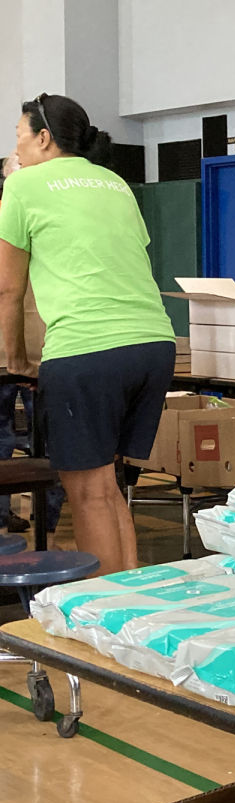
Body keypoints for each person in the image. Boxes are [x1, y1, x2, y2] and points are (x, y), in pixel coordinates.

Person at [0, 93, 175, 573]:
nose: (15, 151)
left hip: (87, 348)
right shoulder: (116, 183)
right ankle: (130, 598)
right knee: (107, 483)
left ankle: (104, 608)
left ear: (43, 137)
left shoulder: (25, 184)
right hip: (153, 343)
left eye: (18, 138)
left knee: (87, 492)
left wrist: (14, 359)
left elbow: (7, 288)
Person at [0, 148, 65, 537]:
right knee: (5, 439)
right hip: (21, 354)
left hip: (46, 350)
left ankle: (49, 523)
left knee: (51, 441)